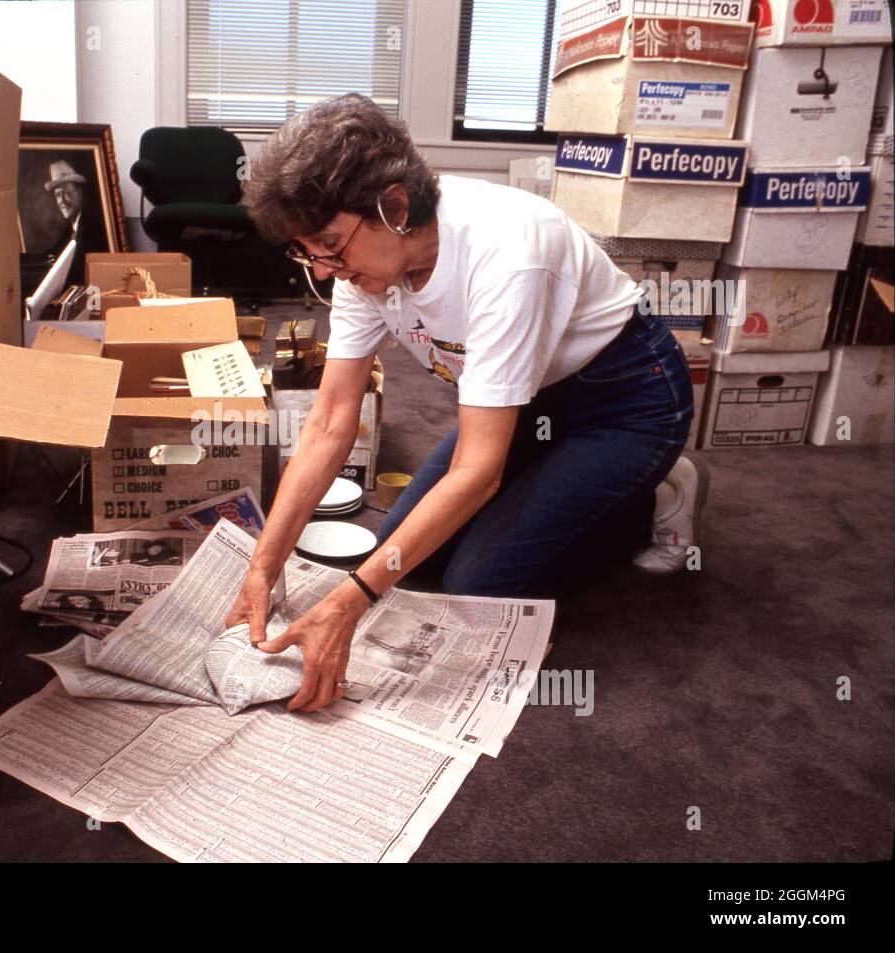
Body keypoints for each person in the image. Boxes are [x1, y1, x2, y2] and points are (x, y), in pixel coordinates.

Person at [224, 94, 708, 714]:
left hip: (625, 400)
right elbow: (327, 425)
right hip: (530, 402)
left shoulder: (509, 252)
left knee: (479, 583)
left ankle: (653, 495)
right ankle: (571, 487)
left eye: (329, 245)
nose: (324, 269)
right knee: (398, 552)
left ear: (394, 207)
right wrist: (265, 564)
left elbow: (478, 474)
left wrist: (345, 605)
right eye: (306, 250)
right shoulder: (357, 266)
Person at [44, 159, 107, 286]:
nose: (62, 201)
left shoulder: (94, 228)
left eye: (66, 193)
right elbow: (53, 253)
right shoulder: (69, 231)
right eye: (58, 195)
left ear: (79, 193)